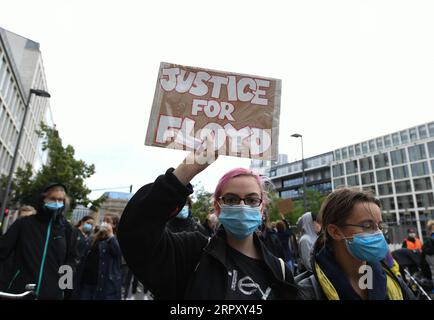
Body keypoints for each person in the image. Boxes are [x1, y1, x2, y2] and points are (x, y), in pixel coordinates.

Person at [117, 137, 298, 299]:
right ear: (218, 207)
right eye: (232, 199)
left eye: (251, 200)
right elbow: (136, 235)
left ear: (261, 207)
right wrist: (186, 170)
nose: (242, 206)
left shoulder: (280, 272)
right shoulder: (192, 253)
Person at [297, 188, 414, 300]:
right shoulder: (308, 292)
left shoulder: (392, 282)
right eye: (367, 226)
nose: (379, 234)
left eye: (380, 226)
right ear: (335, 232)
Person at [0, 183, 78, 299]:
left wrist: (64, 291)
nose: (57, 202)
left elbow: (70, 263)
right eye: (52, 198)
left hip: (51, 294)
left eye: (60, 199)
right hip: (20, 292)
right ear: (43, 199)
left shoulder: (67, 230)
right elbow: (2, 251)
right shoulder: (24, 224)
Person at [77, 213, 122, 300]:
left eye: (108, 221)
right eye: (103, 220)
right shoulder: (94, 237)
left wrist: (110, 235)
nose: (104, 223)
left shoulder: (115, 239)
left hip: (102, 285)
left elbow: (118, 253)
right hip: (87, 282)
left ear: (114, 225)